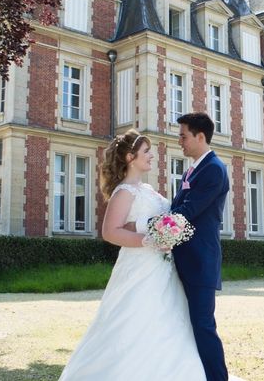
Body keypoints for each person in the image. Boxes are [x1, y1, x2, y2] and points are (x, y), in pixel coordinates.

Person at [59, 129, 206, 380]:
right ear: (130, 157)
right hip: (139, 268)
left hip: (163, 269)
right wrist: (149, 240)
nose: (152, 156)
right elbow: (109, 232)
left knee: (168, 322)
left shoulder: (147, 189)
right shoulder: (125, 191)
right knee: (134, 322)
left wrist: (167, 233)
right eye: (146, 151)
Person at [171, 112, 230, 381]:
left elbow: (188, 210)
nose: (179, 141)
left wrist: (153, 224)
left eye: (183, 136)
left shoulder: (214, 170)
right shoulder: (194, 168)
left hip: (200, 261)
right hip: (185, 259)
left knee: (204, 326)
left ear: (200, 136)